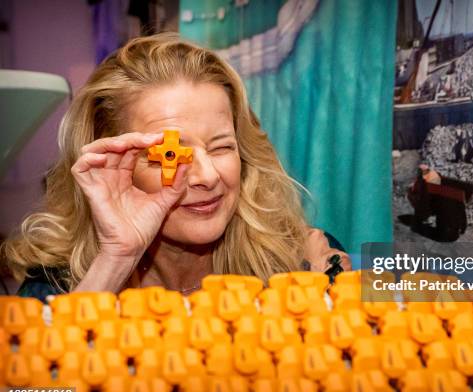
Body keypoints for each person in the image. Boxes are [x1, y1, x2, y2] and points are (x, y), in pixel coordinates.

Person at [1, 33, 351, 301]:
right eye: (171, 156)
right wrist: (115, 261)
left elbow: (403, 298)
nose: (208, 176)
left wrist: (329, 293)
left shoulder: (308, 255)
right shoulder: (54, 285)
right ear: (113, 167)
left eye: (221, 147)